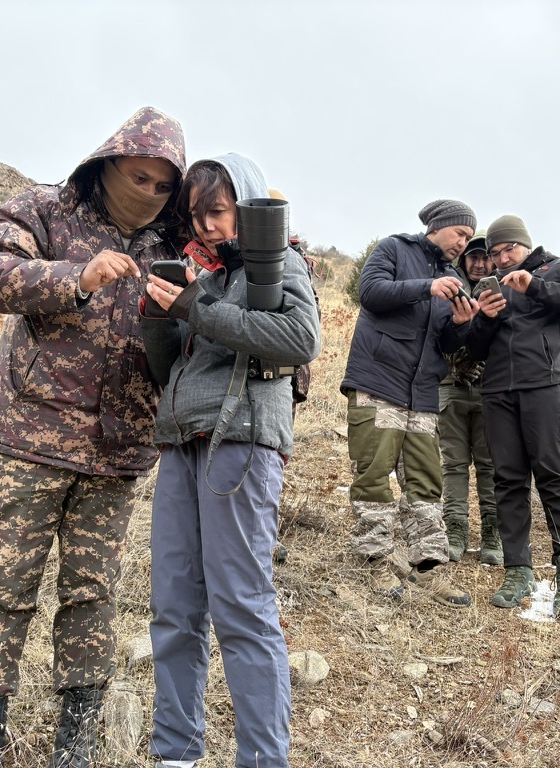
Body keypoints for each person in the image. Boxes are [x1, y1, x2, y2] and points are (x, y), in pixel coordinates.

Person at [0, 107, 186, 768]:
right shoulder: (43, 211)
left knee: (91, 593)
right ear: (106, 164)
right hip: (32, 440)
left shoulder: (173, 243)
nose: (149, 193)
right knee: (6, 586)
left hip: (117, 454)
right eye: (137, 177)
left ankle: (77, 740)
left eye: (162, 185)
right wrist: (75, 281)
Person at [139, 153, 320, 768]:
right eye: (198, 215)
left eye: (217, 212)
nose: (207, 226)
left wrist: (198, 308)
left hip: (240, 442)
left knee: (241, 607)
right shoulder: (202, 274)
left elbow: (302, 339)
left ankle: (264, 761)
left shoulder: (282, 262)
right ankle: (176, 756)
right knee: (174, 606)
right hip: (183, 442)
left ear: (245, 209)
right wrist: (161, 321)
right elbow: (174, 372)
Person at [465, 215, 560, 619]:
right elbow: (475, 350)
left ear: (525, 245)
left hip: (549, 387)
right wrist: (485, 318)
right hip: (498, 393)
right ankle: (518, 570)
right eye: (494, 253)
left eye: (509, 249)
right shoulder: (490, 287)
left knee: (554, 476)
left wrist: (536, 286)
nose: (502, 258)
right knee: (507, 479)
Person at [340, 200, 480, 609]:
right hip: (377, 381)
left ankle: (429, 566)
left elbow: (445, 342)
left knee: (425, 478)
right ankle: (374, 558)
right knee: (374, 473)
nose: (464, 243)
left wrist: (460, 324)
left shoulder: (453, 277)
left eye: (469, 238)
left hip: (422, 393)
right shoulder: (393, 249)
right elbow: (370, 293)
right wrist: (425, 287)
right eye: (462, 234)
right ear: (440, 227)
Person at [439, 231, 503, 566]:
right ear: (464, 260)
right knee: (454, 463)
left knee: (490, 465)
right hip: (450, 387)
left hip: (490, 390)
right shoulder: (449, 287)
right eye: (473, 257)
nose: (479, 263)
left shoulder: (500, 292)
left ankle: (492, 532)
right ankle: (455, 530)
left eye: (484, 257)